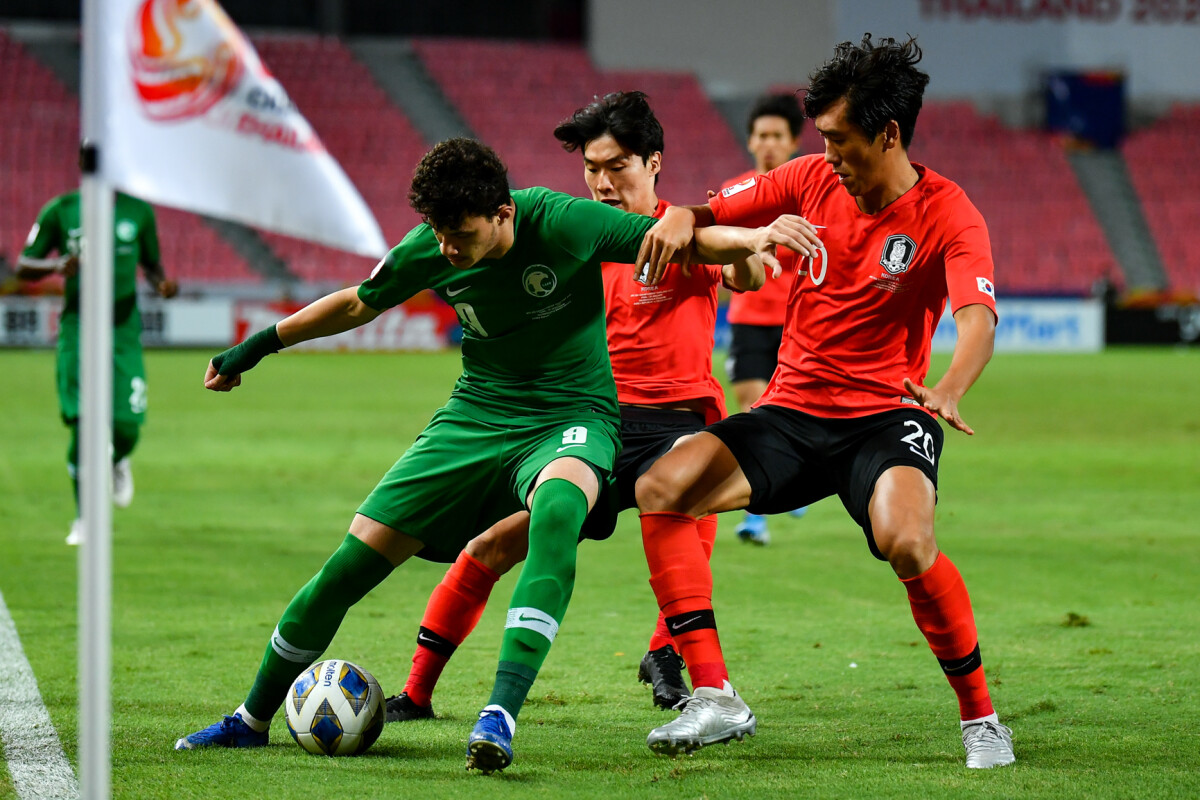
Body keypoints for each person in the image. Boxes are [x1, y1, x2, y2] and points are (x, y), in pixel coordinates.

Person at [173, 137, 782, 774]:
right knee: (348, 566)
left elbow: (683, 241)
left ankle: (499, 713)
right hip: (474, 417)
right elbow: (357, 302)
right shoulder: (429, 246)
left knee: (555, 513)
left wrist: (749, 239)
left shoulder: (562, 221)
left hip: (572, 417)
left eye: (460, 234)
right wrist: (258, 346)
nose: (447, 250)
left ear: (503, 212)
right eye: (438, 234)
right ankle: (250, 719)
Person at [631, 35, 1014, 769]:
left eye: (840, 139)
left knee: (907, 541)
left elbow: (977, 318)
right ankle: (714, 696)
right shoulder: (809, 179)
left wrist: (949, 388)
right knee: (662, 486)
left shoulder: (948, 213)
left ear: (889, 134)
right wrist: (680, 216)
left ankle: (981, 719)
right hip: (793, 412)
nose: (827, 153)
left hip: (886, 415)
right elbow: (704, 211)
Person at [383, 91, 764, 731]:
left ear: (654, 163)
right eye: (592, 167)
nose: (601, 182)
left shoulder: (679, 230)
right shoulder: (575, 236)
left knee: (679, 524)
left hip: (678, 420)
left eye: (617, 167)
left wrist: (725, 235)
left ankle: (690, 674)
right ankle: (417, 693)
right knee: (488, 547)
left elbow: (749, 275)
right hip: (592, 425)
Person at [17, 189, 178, 545]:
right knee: (83, 422)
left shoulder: (138, 212)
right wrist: (55, 266)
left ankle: (118, 458)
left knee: (126, 425)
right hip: (79, 326)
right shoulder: (61, 210)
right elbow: (23, 265)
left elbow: (152, 265)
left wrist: (161, 284)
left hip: (122, 329)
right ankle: (85, 519)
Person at [722, 92, 808, 545]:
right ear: (751, 140)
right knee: (753, 411)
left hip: (799, 324)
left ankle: (791, 482)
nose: (769, 143)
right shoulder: (736, 194)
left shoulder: (810, 198)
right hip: (749, 319)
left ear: (793, 142)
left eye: (778, 135)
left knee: (789, 413)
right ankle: (757, 515)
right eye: (762, 135)